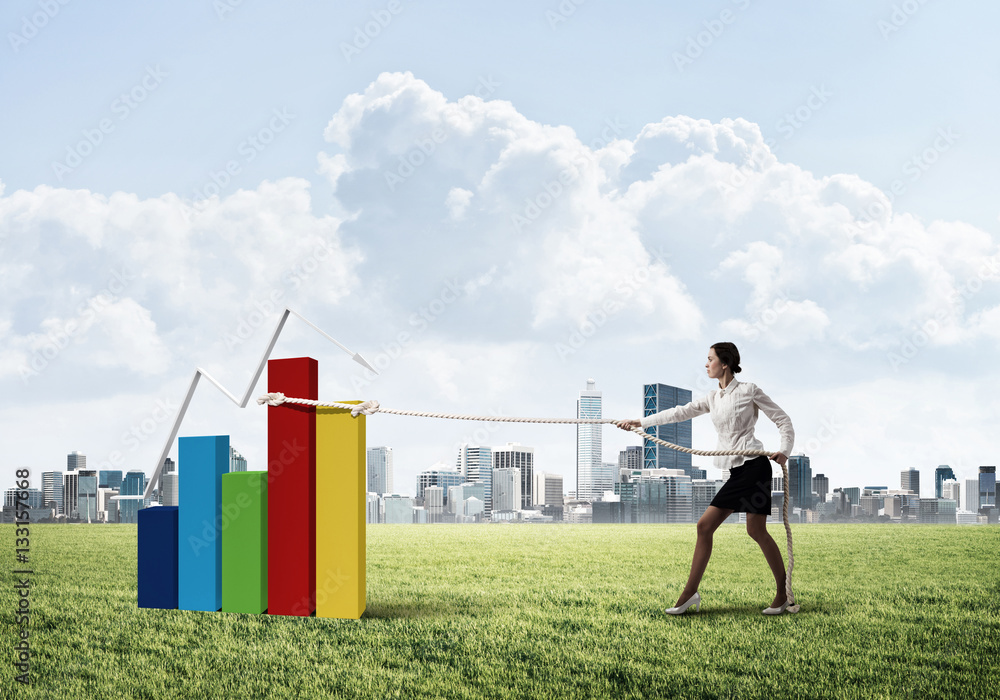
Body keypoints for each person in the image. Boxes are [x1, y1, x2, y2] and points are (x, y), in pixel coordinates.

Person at [615, 342, 795, 616]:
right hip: (736, 471)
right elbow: (679, 412)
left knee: (755, 531)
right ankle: (690, 594)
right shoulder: (712, 398)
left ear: (725, 363)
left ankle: (782, 595)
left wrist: (784, 450)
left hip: (756, 466)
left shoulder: (749, 390)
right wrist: (640, 422)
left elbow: (783, 420)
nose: (706, 363)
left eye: (710, 359)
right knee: (704, 527)